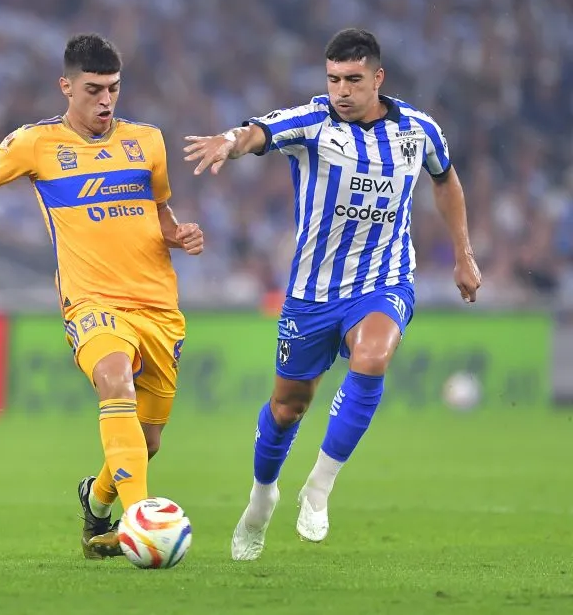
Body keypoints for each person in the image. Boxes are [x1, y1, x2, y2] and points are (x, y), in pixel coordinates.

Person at [0, 34, 204, 558]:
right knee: (115, 379)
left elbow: (158, 210)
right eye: (93, 89)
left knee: (147, 442)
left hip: (158, 305)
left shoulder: (148, 141)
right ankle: (139, 520)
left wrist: (178, 232)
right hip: (92, 301)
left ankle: (97, 502)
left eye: (113, 89)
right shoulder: (35, 143)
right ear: (66, 87)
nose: (105, 101)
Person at [183, 28, 482, 560]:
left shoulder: (419, 131)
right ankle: (261, 498)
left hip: (384, 279)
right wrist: (229, 143)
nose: (341, 90)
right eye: (333, 79)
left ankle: (318, 489)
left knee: (371, 358)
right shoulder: (314, 123)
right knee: (286, 407)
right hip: (312, 293)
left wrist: (463, 254)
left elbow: (446, 181)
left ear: (378, 78)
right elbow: (257, 132)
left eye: (353, 80)